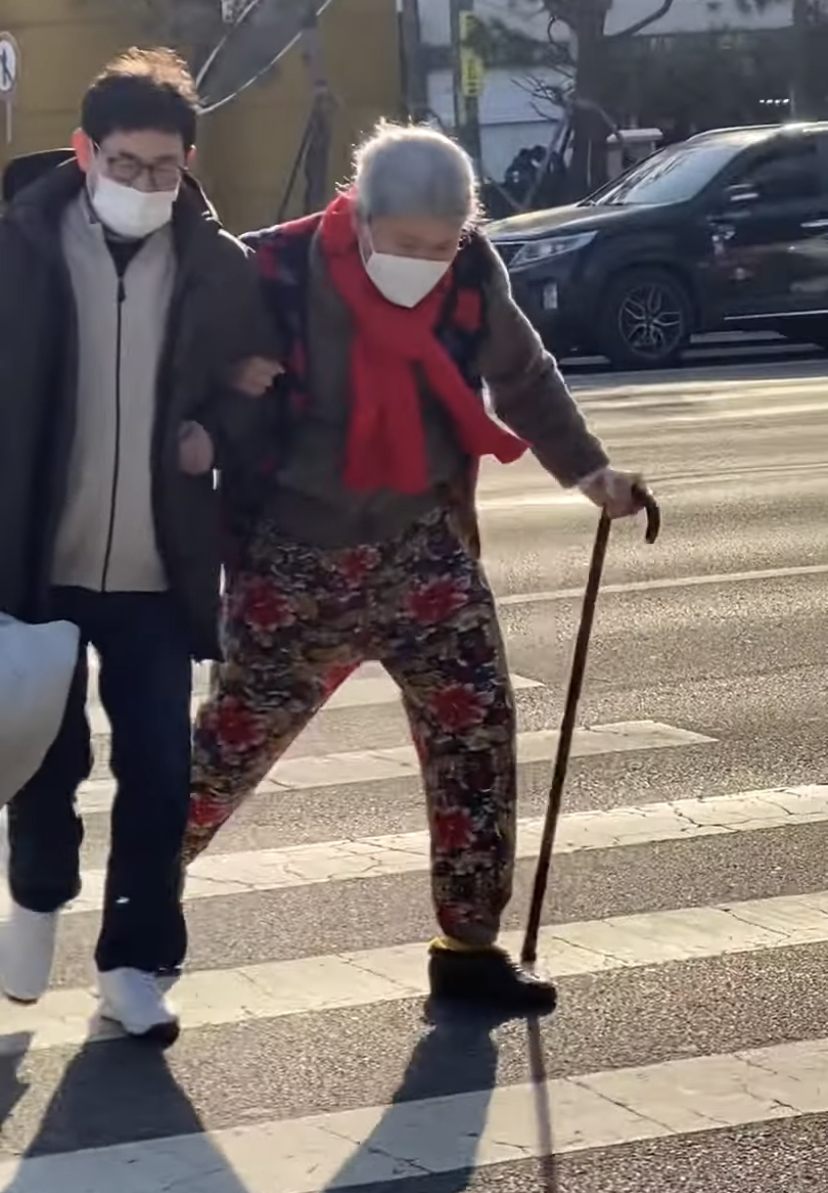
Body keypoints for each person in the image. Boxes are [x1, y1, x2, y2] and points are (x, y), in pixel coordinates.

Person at [181, 121, 650, 1015]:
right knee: (225, 754)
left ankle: (468, 949)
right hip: (294, 560)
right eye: (407, 244)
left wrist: (590, 471)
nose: (426, 263)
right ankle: (136, 903)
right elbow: (184, 369)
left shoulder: (471, 275)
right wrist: (223, 387)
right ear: (359, 215)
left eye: (442, 245)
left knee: (476, 737)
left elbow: (523, 375)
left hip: (424, 550)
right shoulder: (273, 269)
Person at [0, 48, 280, 1042]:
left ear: (187, 163)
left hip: (161, 568)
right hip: (40, 558)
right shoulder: (20, 247)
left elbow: (262, 389)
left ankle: (134, 963)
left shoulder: (216, 264)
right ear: (86, 152)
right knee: (44, 762)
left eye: (164, 167)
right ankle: (36, 900)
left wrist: (218, 435)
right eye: (126, 164)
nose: (145, 183)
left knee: (161, 769)